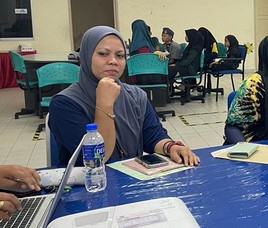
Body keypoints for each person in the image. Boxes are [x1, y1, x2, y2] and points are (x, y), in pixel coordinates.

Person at [48, 26, 199, 166]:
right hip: (87, 183)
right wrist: (104, 104)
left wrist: (170, 147)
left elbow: (153, 136)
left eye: (120, 55)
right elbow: (96, 159)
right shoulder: (64, 103)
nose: (113, 61)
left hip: (131, 179)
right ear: (86, 56)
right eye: (103, 54)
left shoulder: (136, 96)